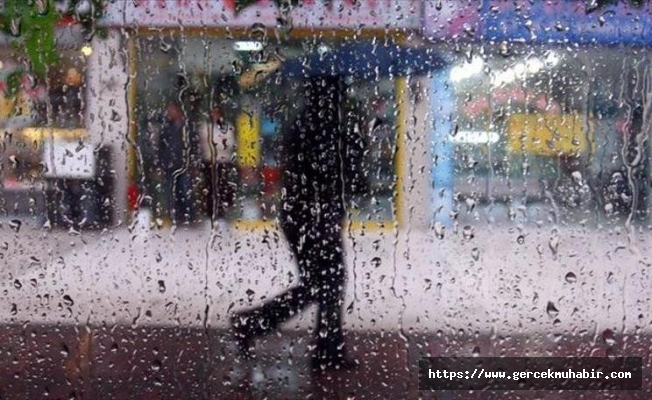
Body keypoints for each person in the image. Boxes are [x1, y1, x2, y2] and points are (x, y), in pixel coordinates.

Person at [231, 76, 367, 373]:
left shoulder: (306, 124)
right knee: (327, 283)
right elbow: (347, 178)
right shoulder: (327, 129)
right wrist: (355, 144)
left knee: (322, 284)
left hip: (303, 216)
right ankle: (321, 349)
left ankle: (259, 326)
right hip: (315, 217)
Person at [159, 101, 197, 224]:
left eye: (171, 110)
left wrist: (192, 164)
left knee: (186, 192)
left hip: (184, 165)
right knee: (171, 193)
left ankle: (189, 217)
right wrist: (161, 164)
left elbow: (194, 147)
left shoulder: (188, 128)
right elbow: (161, 148)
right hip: (171, 166)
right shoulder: (167, 128)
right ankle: (176, 217)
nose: (170, 113)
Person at [198, 106, 236, 220]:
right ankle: (210, 213)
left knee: (223, 187)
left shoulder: (228, 127)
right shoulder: (206, 127)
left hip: (223, 161)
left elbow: (229, 143)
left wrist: (215, 144)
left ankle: (222, 212)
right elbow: (205, 143)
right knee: (210, 187)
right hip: (210, 161)